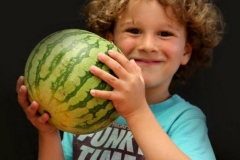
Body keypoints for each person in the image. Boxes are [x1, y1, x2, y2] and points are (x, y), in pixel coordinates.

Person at [16, 0, 225, 159]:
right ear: (109, 41)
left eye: (164, 33)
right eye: (134, 31)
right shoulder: (83, 110)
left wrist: (136, 111)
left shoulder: (184, 119)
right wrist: (50, 133)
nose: (147, 45)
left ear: (186, 52)